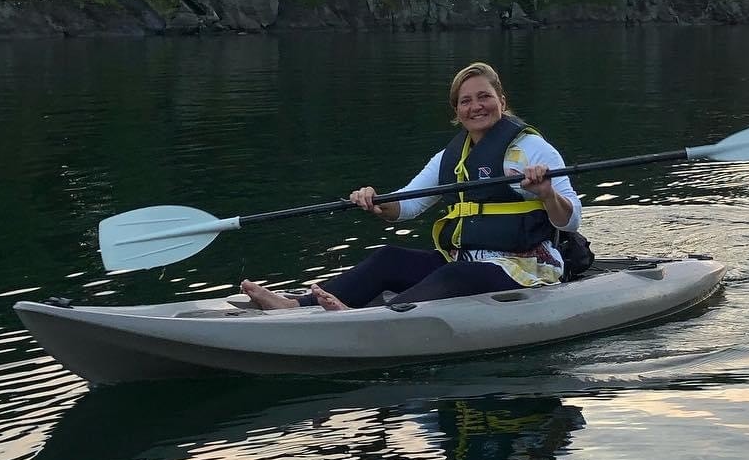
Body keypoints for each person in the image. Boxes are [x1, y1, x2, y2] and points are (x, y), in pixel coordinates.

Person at [241, 61, 582, 311]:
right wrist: (376, 201)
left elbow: (571, 220)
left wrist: (546, 193)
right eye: (466, 100)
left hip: (524, 267)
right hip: (465, 257)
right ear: (457, 111)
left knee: (457, 275)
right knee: (387, 258)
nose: (476, 106)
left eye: (485, 97)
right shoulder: (448, 158)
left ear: (502, 102)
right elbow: (406, 206)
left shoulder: (534, 149)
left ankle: (370, 319)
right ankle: (298, 305)